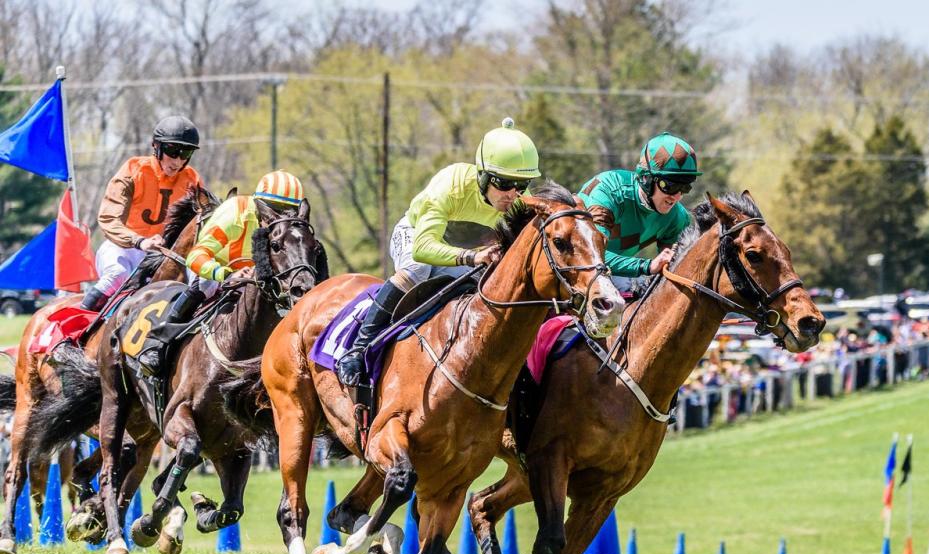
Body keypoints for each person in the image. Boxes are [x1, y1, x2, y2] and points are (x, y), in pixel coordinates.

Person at [336, 117, 541, 387]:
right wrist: (472, 256)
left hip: (462, 257)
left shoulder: (518, 202)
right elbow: (422, 249)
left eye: (522, 185)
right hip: (414, 236)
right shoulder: (450, 185)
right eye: (504, 183)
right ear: (482, 176)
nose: (513, 195)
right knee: (418, 270)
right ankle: (358, 350)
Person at [135, 170, 305, 376]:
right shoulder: (235, 214)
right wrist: (227, 275)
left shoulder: (287, 229)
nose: (278, 218)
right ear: (258, 204)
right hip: (216, 267)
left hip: (253, 275)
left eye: (287, 212)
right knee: (205, 287)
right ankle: (157, 346)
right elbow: (196, 256)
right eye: (274, 209)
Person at [81, 116, 203, 312]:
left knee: (199, 281)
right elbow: (109, 219)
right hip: (123, 248)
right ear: (156, 146)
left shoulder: (192, 180)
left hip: (161, 254)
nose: (178, 161)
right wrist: (139, 241)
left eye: (185, 153)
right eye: (173, 151)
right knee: (117, 275)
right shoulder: (133, 170)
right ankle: (77, 329)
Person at [576, 132, 702, 288]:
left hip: (609, 275)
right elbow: (591, 254)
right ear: (646, 179)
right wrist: (647, 266)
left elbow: (672, 271)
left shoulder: (677, 217)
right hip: (570, 268)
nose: (676, 197)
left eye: (685, 187)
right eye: (670, 186)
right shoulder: (607, 193)